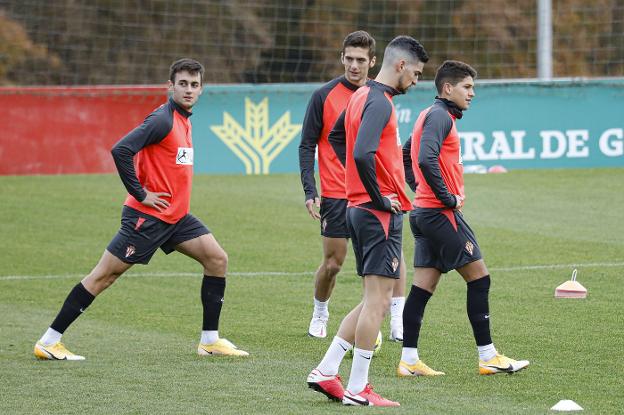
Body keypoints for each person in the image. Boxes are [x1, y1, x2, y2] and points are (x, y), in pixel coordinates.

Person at [33, 58, 248, 360]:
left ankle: (210, 341)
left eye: (194, 84)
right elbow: (121, 149)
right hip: (147, 219)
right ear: (170, 86)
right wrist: (141, 194)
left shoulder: (184, 119)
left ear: (202, 89)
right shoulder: (162, 120)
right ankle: (49, 340)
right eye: (182, 84)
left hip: (175, 217)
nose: (188, 89)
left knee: (216, 259)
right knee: (103, 276)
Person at [307, 36, 429, 407]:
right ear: (401, 66)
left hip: (359, 208)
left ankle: (327, 370)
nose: (417, 81)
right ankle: (359, 388)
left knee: (371, 299)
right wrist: (378, 194)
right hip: (376, 212)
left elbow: (337, 137)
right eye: (417, 74)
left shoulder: (361, 96)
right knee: (379, 301)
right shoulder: (380, 102)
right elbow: (360, 151)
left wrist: (359, 184)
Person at [397, 60, 529, 377]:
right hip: (440, 214)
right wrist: (446, 197)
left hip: (424, 213)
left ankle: (409, 360)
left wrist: (418, 188)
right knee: (480, 279)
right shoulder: (440, 117)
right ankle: (488, 357)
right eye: (467, 87)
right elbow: (425, 156)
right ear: (448, 88)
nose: (472, 94)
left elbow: (406, 152)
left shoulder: (431, 115)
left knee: (422, 288)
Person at [299, 31, 407, 341]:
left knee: (392, 256)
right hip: (336, 194)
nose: (354, 66)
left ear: (373, 61)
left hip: (374, 193)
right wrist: (310, 189)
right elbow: (307, 144)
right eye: (349, 59)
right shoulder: (324, 95)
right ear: (341, 58)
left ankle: (397, 323)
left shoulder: (380, 96)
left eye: (361, 60)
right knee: (334, 263)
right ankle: (321, 311)